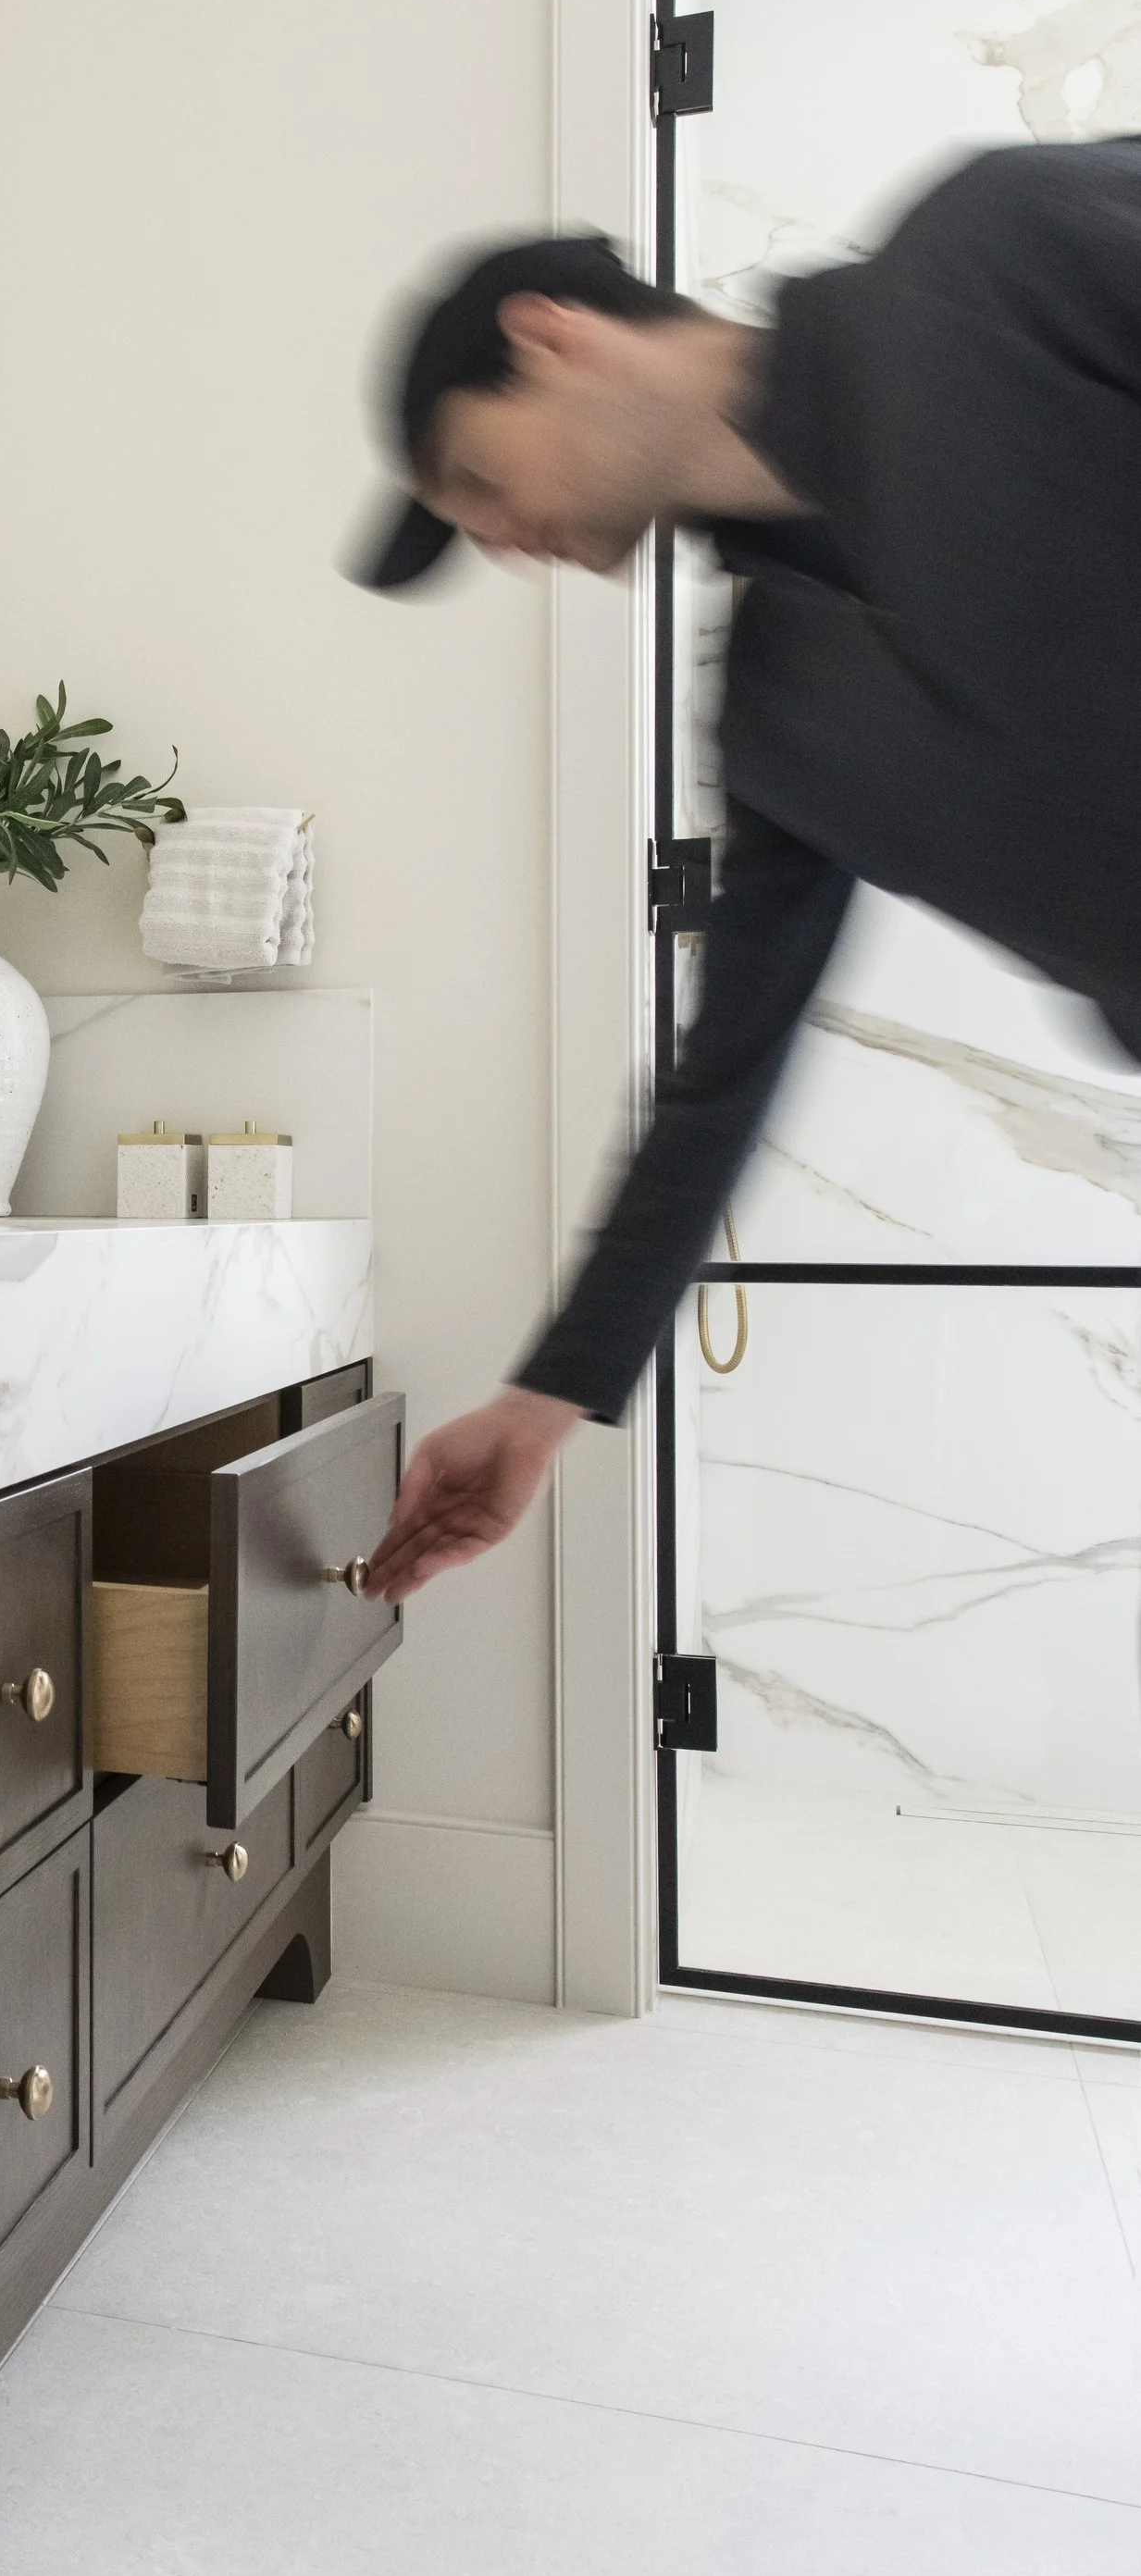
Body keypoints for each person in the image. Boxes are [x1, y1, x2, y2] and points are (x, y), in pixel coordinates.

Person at [347, 138, 1141, 1604]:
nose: (507, 543)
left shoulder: (990, 252)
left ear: (554, 336)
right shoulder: (776, 720)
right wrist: (552, 1394)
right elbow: (721, 1075)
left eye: (479, 481)